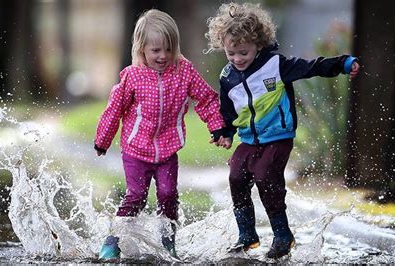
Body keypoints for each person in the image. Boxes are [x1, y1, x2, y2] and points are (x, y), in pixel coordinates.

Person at [205, 2, 360, 259]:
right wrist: (225, 131)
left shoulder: (276, 65)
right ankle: (247, 234)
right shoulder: (228, 75)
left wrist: (343, 64)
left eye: (243, 52)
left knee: (266, 177)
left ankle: (282, 234)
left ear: (259, 44)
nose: (237, 59)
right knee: (236, 176)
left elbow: (312, 67)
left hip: (278, 136)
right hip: (249, 139)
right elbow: (228, 108)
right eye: (230, 53)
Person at [94, 9, 226, 261]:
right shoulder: (132, 77)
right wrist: (103, 140)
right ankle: (114, 239)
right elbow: (114, 109)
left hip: (167, 151)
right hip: (136, 150)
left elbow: (207, 99)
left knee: (168, 195)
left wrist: (217, 127)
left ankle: (168, 241)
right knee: (136, 196)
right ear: (141, 48)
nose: (163, 56)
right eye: (156, 50)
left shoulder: (184, 71)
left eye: (168, 49)